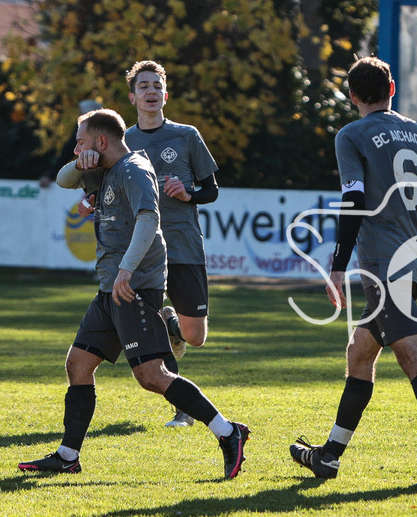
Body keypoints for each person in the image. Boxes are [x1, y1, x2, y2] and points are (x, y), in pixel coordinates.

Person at [17, 109, 249, 479]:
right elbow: (63, 180)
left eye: (80, 141)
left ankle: (228, 432)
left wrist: (126, 269)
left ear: (102, 141)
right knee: (78, 364)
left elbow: (149, 220)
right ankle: (67, 455)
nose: (75, 147)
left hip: (134, 286)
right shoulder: (104, 168)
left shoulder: (135, 169)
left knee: (152, 376)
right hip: (111, 287)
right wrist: (81, 161)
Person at [289, 57, 417, 487]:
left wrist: (336, 266)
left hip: (382, 263)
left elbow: (353, 200)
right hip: (414, 258)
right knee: (360, 351)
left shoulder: (351, 134)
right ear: (392, 88)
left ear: (352, 96)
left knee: (412, 353)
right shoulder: (415, 130)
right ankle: (330, 456)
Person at [124, 60, 220, 428]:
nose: (151, 91)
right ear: (133, 97)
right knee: (150, 331)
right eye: (143, 86)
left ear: (166, 93)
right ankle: (183, 409)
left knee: (195, 336)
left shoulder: (186, 135)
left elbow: (211, 190)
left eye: (156, 85)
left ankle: (175, 326)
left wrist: (188, 193)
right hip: (142, 249)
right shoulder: (124, 141)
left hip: (183, 245)